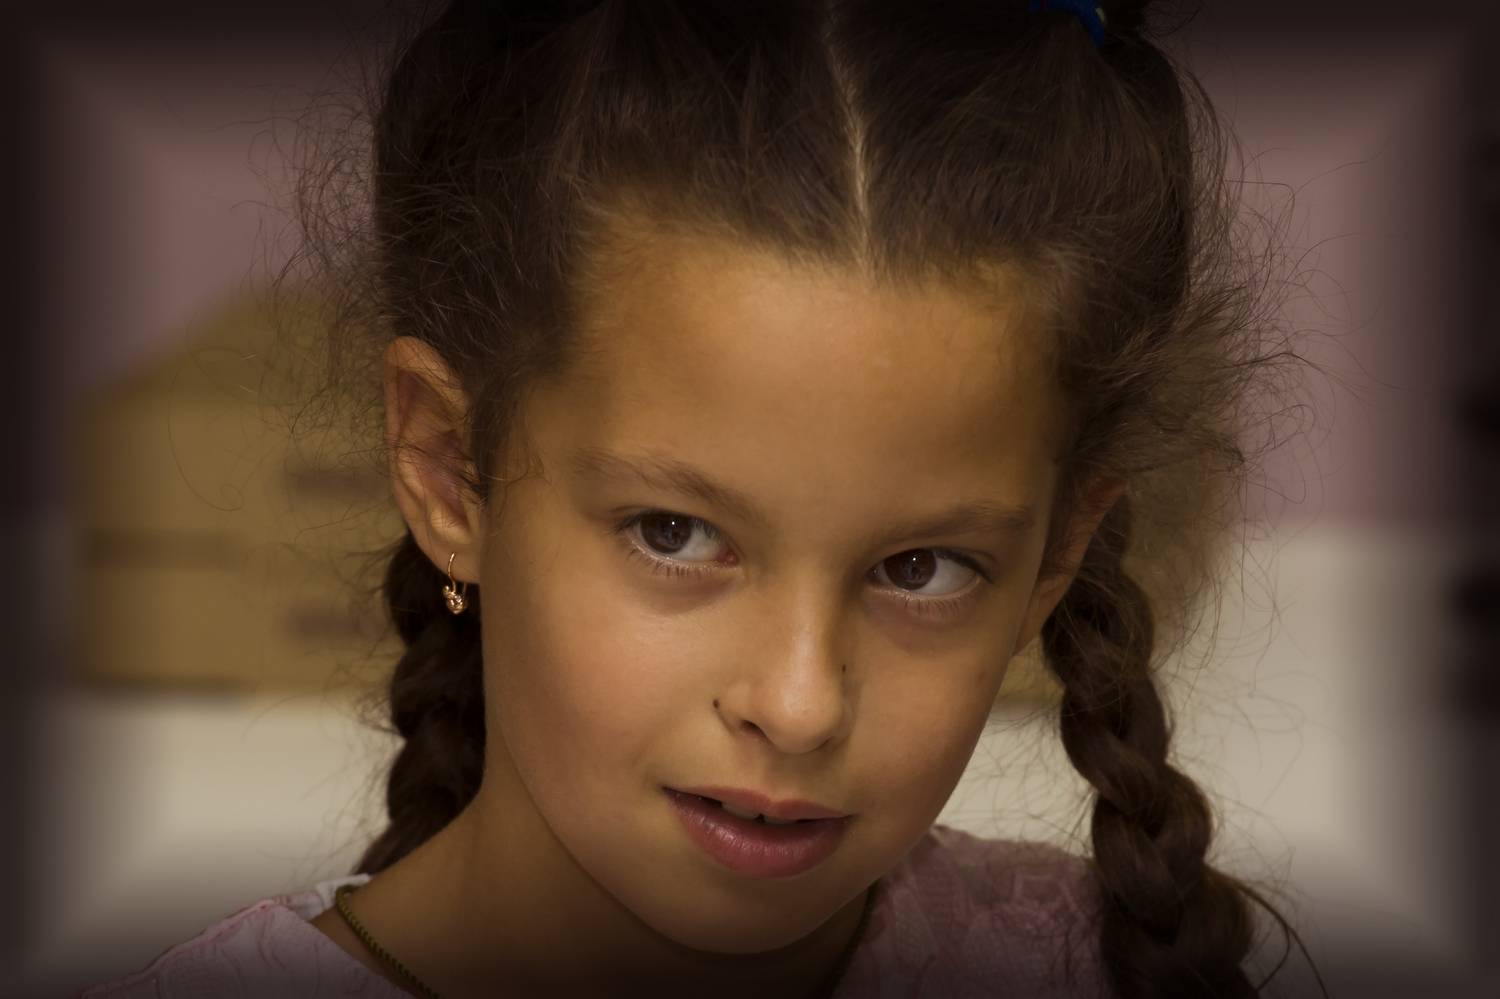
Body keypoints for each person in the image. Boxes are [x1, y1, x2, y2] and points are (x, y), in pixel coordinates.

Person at [81, 0, 1323, 996]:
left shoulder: (1089, 965)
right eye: (674, 534)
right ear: (451, 469)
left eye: (923, 567)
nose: (798, 703)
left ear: (1053, 563)